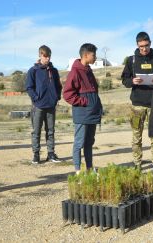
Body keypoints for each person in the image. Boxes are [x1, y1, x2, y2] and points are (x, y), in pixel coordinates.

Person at [121, 31, 153, 173]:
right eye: (141, 46)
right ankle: (137, 165)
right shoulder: (131, 60)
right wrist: (132, 81)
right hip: (137, 105)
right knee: (136, 136)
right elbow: (124, 79)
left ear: (150, 43)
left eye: (146, 45)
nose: (144, 49)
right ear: (137, 45)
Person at [63, 43, 103, 174]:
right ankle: (78, 171)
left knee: (89, 143)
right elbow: (67, 94)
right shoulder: (75, 71)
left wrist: (96, 105)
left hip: (92, 113)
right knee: (79, 143)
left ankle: (90, 169)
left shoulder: (89, 70)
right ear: (86, 55)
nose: (95, 57)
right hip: (82, 113)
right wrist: (83, 101)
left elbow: (94, 91)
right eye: (94, 55)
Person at [26, 45, 62, 164]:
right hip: (38, 107)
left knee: (50, 131)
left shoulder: (54, 71)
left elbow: (58, 86)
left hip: (51, 106)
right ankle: (36, 155)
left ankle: (51, 154)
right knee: (36, 131)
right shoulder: (33, 71)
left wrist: (57, 98)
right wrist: (36, 98)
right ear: (40, 55)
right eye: (45, 56)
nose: (47, 59)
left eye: (49, 56)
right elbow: (29, 88)